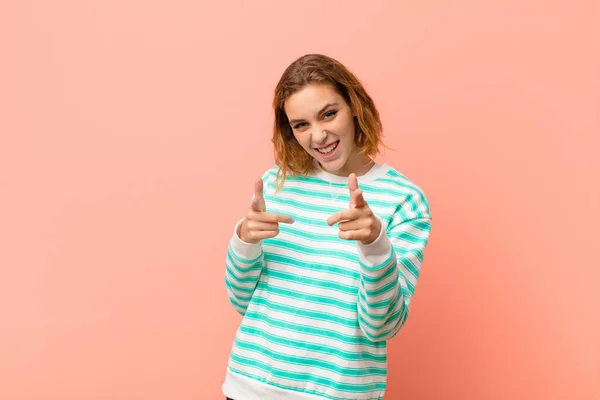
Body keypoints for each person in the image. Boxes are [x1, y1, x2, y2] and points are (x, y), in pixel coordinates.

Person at [222, 54, 432, 400]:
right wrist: (244, 241)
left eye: (329, 114)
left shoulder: (403, 200)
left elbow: (382, 324)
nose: (319, 136)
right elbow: (241, 299)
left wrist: (376, 246)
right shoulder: (276, 183)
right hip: (249, 387)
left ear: (354, 106)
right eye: (301, 124)